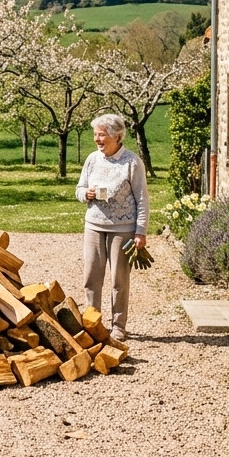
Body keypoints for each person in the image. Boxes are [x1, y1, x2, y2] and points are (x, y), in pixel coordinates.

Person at [75, 113, 149, 342]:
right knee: (91, 277)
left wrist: (140, 231)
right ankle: (93, 322)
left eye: (101, 135)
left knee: (119, 280)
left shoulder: (132, 162)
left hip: (123, 229)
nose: (97, 139)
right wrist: (85, 194)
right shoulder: (92, 159)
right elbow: (79, 188)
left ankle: (118, 326)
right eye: (95, 134)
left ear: (117, 136)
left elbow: (142, 199)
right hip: (94, 226)